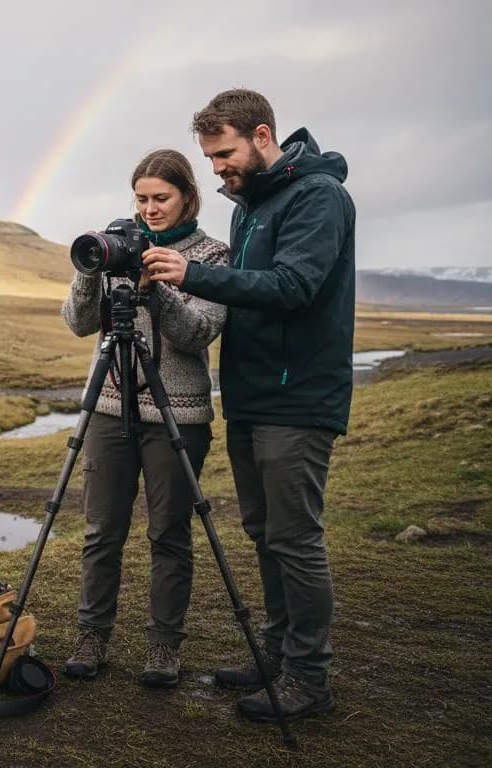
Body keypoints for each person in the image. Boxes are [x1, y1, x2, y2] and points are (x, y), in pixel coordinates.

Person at [143, 88, 355, 722]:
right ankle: (276, 658)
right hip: (252, 397)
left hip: (300, 396)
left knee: (295, 539)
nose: (217, 169)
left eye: (225, 153)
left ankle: (309, 679)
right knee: (264, 534)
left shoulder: (319, 197)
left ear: (263, 137)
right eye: (209, 158)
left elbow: (294, 286)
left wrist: (190, 273)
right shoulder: (249, 208)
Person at [60, 149, 228, 688]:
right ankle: (92, 635)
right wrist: (92, 268)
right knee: (101, 530)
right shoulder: (118, 245)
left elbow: (198, 332)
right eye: (141, 198)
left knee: (169, 533)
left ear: (187, 197)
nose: (150, 209)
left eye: (161, 198)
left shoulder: (214, 255)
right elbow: (79, 323)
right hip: (110, 406)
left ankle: (163, 647)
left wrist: (162, 292)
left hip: (179, 415)